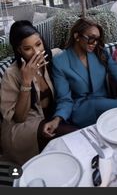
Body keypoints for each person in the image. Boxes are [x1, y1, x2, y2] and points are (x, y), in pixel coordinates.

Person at [43, 18, 117, 131]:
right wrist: (57, 119)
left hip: (103, 102)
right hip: (80, 109)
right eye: (91, 38)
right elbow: (64, 98)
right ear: (77, 36)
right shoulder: (60, 61)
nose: (95, 43)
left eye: (97, 39)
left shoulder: (100, 53)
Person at [0, 21, 78, 165]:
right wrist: (26, 82)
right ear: (19, 51)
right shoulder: (12, 74)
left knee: (74, 138)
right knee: (73, 137)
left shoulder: (54, 58)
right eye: (28, 48)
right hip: (23, 127)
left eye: (38, 44)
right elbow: (19, 118)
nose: (37, 52)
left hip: (49, 117)